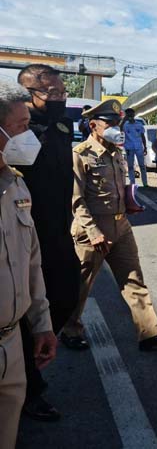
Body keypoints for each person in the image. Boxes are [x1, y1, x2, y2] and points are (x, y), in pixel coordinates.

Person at [62, 99, 157, 352]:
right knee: (82, 284)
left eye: (118, 122)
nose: (116, 127)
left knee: (134, 279)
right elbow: (76, 199)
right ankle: (70, 329)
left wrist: (129, 202)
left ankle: (149, 334)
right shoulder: (80, 155)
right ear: (94, 126)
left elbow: (118, 188)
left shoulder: (117, 153)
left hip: (121, 225)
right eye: (110, 123)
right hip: (93, 230)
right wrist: (92, 230)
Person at [15, 65, 80, 422]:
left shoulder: (62, 125)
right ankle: (27, 385)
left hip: (57, 230)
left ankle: (33, 357)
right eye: (52, 94)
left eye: (62, 92)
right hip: (25, 233)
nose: (60, 99)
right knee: (25, 309)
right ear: (29, 95)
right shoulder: (17, 133)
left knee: (67, 294)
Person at [0, 80, 57, 448]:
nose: (28, 135)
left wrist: (42, 325)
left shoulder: (17, 185)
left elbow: (31, 262)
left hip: (11, 347)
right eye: (21, 127)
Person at [121, 107, 148, 187]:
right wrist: (124, 120)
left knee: (142, 165)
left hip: (139, 147)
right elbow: (119, 130)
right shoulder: (125, 125)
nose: (129, 116)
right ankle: (132, 182)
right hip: (129, 147)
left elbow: (143, 136)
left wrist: (145, 147)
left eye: (131, 114)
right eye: (128, 114)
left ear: (133, 115)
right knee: (130, 166)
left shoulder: (139, 125)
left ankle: (145, 183)